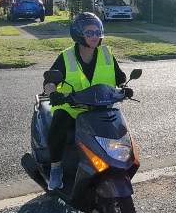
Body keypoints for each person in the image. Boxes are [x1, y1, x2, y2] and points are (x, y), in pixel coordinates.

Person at [42, 12, 127, 190]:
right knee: (58, 127)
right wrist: (52, 93)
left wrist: (123, 88)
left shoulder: (106, 53)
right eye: (89, 33)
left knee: (119, 128)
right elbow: (49, 81)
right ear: (78, 34)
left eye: (97, 32)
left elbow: (120, 77)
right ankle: (56, 168)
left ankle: (114, 162)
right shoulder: (66, 57)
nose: (95, 36)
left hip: (100, 107)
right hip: (71, 108)